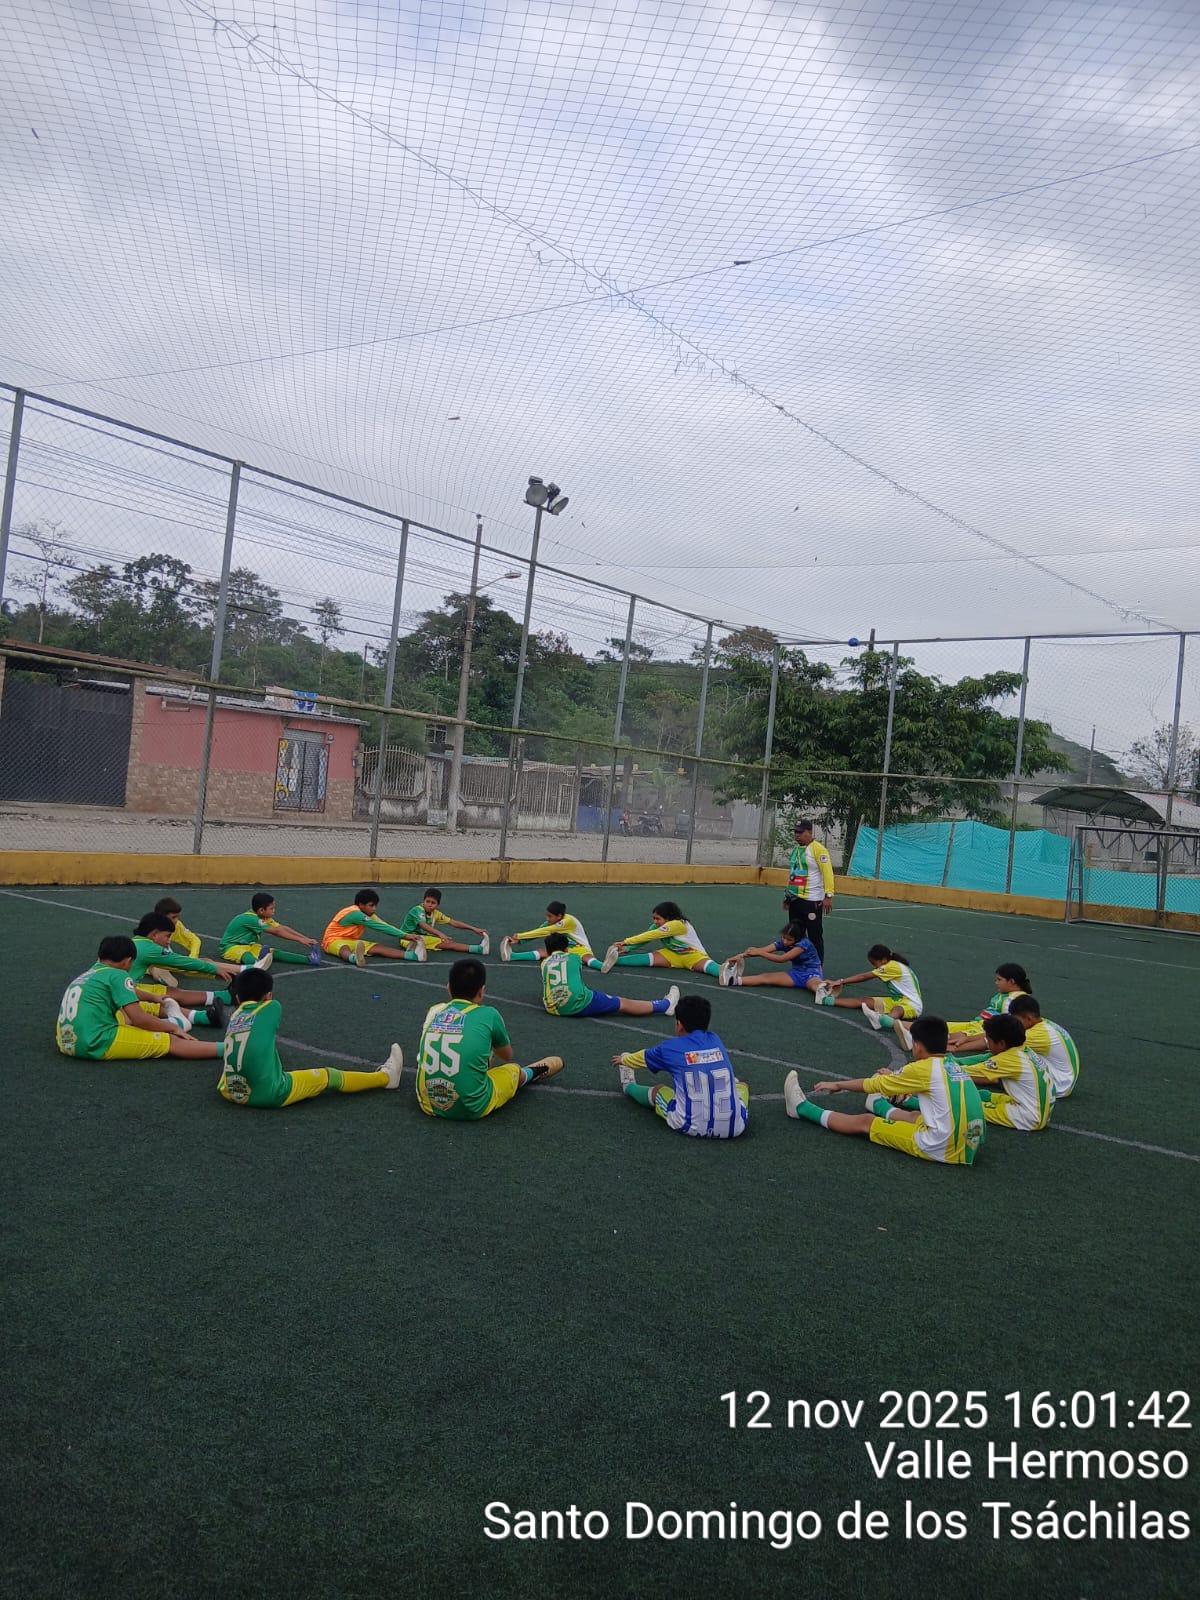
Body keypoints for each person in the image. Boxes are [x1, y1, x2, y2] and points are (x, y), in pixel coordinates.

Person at [783, 1015, 985, 1166]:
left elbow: (872, 1085)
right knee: (916, 1116)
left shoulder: (922, 1068)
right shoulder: (952, 1065)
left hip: (941, 1146)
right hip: (970, 1143)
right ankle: (878, 1104)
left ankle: (801, 1109)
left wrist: (838, 1085)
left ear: (917, 1046)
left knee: (866, 1122)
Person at [218, 968, 402, 1106]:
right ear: (268, 996)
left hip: (230, 1091)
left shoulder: (235, 1016)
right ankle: (385, 1078)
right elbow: (266, 1007)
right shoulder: (272, 1007)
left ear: (238, 999)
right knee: (328, 1076)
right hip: (269, 1094)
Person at [415, 957, 565, 1119]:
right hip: (472, 1107)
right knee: (512, 1069)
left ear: (449, 988)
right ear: (481, 992)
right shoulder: (489, 1014)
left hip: (427, 1102)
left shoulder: (435, 1010)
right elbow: (506, 1056)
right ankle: (531, 1073)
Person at [56, 936, 221, 1062]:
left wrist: (153, 997)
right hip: (94, 1043)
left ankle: (180, 1021)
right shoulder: (118, 974)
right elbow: (138, 1018)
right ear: (128, 961)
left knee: (123, 1018)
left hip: (67, 1042)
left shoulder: (89, 974)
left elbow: (129, 991)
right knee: (171, 1041)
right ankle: (227, 1049)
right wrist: (172, 1029)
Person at [610, 993, 748, 1138]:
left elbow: (643, 1058)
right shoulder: (715, 1039)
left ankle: (629, 1086)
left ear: (679, 1025)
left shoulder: (669, 1048)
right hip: (734, 1129)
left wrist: (624, 1059)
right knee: (742, 1086)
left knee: (659, 1091)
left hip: (689, 1126)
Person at [130, 913, 241, 1028]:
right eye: (167, 936)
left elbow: (178, 966)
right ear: (154, 934)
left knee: (171, 992)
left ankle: (225, 997)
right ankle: (202, 1017)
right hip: (123, 992)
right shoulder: (149, 949)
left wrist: (212, 973)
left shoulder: (137, 943)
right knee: (160, 1003)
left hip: (129, 987)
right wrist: (214, 969)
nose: (169, 941)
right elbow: (182, 962)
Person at [539, 932, 678, 1018]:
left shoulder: (544, 963)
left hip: (552, 1009)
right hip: (578, 1004)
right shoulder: (574, 957)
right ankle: (665, 1005)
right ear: (566, 948)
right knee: (623, 1003)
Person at [960, 1013, 1054, 1131]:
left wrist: (942, 1064)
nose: (988, 1045)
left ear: (1001, 1044)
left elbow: (964, 1073)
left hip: (1027, 1117)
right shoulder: (1025, 1050)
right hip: (1039, 1109)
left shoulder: (1008, 1059)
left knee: (965, 1106)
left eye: (989, 1041)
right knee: (984, 1094)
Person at [816, 943, 923, 1039]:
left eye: (874, 964)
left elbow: (864, 977)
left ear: (884, 960)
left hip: (913, 1005)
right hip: (897, 1000)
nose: (874, 967)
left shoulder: (892, 966)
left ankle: (885, 1020)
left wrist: (841, 981)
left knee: (897, 1010)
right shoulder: (893, 964)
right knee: (863, 1001)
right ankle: (825, 1000)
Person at [600, 901, 720, 977]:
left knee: (709, 968)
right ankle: (611, 961)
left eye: (658, 919)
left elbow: (651, 935)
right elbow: (646, 938)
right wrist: (628, 948)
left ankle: (726, 973)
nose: (655, 922)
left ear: (668, 918)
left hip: (693, 955)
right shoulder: (657, 926)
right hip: (672, 954)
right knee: (645, 959)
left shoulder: (677, 924)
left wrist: (626, 941)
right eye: (654, 918)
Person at [718, 923, 825, 997]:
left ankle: (825, 992)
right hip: (796, 973)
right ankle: (732, 980)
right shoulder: (783, 943)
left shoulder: (803, 944)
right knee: (766, 977)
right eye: (783, 937)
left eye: (789, 939)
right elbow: (761, 950)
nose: (785, 941)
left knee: (813, 985)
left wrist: (760, 952)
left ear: (797, 939)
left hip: (813, 972)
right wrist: (739, 956)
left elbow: (781, 959)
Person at [322, 889, 424, 966]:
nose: (374, 909)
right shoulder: (355, 914)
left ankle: (413, 956)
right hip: (331, 941)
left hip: (351, 940)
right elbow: (379, 927)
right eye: (371, 905)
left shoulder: (367, 914)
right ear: (361, 905)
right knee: (344, 948)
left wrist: (405, 935)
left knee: (378, 947)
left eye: (375, 905)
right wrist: (405, 936)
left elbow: (384, 925)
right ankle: (354, 958)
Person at [221, 892, 322, 967]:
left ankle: (309, 960)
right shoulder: (251, 918)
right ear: (261, 910)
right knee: (245, 955)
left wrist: (305, 938)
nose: (274, 911)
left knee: (273, 952)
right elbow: (277, 932)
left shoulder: (264, 917)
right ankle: (257, 964)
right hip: (230, 947)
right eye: (271, 909)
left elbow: (282, 928)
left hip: (249, 946)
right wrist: (300, 940)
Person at [946, 964, 1032, 1051]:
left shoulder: (1013, 1000)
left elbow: (1007, 1027)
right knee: (942, 1028)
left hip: (983, 1031)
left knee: (945, 1037)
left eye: (999, 980)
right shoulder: (1005, 994)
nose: (996, 982)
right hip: (976, 1024)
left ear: (1011, 981)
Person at [1008, 995, 1080, 1099]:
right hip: (1064, 1079)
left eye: (1016, 1021)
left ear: (1029, 1018)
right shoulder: (1044, 1024)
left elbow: (998, 1041)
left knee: (1009, 1055)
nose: (1014, 1024)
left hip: (1058, 1086)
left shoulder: (1039, 1034)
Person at [783, 820, 834, 961]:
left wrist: (828, 895)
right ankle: (800, 965)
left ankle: (817, 967)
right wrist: (788, 897)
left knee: (814, 936)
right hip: (795, 900)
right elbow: (794, 874)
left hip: (811, 901)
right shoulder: (796, 850)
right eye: (795, 832)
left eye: (800, 832)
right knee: (795, 935)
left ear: (810, 832)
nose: (797, 835)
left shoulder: (818, 849)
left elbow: (828, 873)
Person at [397, 888, 489, 958]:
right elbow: (423, 925)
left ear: (438, 905)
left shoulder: (436, 913)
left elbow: (453, 922)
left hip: (422, 938)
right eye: (427, 901)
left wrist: (474, 929)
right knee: (445, 944)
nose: (429, 905)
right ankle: (415, 950)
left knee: (448, 943)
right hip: (407, 937)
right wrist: (440, 934)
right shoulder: (417, 910)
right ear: (423, 901)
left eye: (433, 903)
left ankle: (479, 949)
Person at [501, 901, 595, 963]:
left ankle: (601, 966)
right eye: (547, 916)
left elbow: (545, 931)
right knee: (543, 951)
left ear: (559, 916)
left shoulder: (567, 921)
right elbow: (539, 932)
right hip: (565, 948)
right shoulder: (551, 922)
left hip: (581, 947)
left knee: (586, 957)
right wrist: (520, 940)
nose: (547, 919)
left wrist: (520, 936)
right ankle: (512, 956)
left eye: (550, 916)